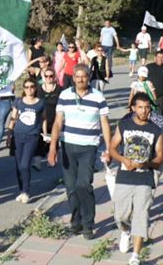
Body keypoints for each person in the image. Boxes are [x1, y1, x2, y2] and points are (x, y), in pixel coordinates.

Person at [47, 65, 111, 239]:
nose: (81, 79)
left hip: (88, 147)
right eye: (77, 76)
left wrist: (109, 149)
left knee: (84, 184)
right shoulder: (65, 95)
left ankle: (88, 224)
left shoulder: (98, 97)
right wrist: (53, 147)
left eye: (84, 76)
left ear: (89, 77)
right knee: (71, 188)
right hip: (68, 147)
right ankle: (76, 222)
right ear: (73, 78)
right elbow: (58, 123)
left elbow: (105, 123)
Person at [109, 93, 163, 265]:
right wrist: (124, 160)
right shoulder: (124, 125)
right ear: (133, 108)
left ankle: (136, 255)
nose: (144, 110)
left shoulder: (155, 130)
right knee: (120, 215)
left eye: (147, 107)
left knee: (141, 216)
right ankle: (125, 232)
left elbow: (160, 156)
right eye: (140, 107)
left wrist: (147, 164)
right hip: (124, 176)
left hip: (144, 179)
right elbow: (112, 148)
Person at [5, 78, 46, 204]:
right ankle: (22, 190)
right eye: (26, 87)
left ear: (35, 88)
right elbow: (13, 118)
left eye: (32, 86)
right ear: (23, 89)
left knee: (25, 164)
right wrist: (9, 134)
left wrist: (45, 134)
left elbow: (43, 119)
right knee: (18, 167)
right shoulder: (18, 101)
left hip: (32, 136)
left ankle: (26, 191)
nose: (29, 89)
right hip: (18, 136)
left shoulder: (40, 103)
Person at [37, 68, 63, 167]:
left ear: (54, 77)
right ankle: (37, 162)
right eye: (46, 76)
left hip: (55, 118)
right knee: (40, 140)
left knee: (53, 139)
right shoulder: (38, 89)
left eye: (51, 76)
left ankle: (51, 159)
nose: (49, 78)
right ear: (43, 77)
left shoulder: (59, 89)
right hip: (41, 118)